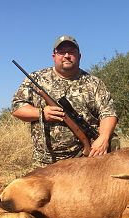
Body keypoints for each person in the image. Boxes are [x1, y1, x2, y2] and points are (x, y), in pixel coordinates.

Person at [12, 35, 119, 167]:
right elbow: (17, 108)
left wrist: (103, 138)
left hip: (87, 160)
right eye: (62, 52)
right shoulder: (36, 78)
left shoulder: (94, 83)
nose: (67, 55)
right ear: (54, 56)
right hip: (46, 163)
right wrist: (41, 113)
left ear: (79, 56)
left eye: (71, 52)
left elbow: (109, 113)